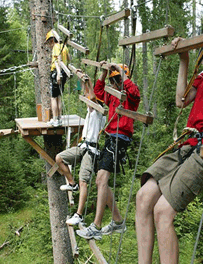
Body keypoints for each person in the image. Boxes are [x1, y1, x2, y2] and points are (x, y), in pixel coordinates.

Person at [136, 12, 203, 264]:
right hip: (188, 143)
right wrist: (184, 59)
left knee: (163, 211)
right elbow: (181, 101)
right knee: (144, 197)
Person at [76, 62, 140, 240]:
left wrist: (121, 73)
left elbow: (135, 92)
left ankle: (96, 226)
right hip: (110, 137)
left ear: (123, 79)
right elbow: (97, 93)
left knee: (102, 179)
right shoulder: (112, 94)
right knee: (99, 180)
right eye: (112, 81)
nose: (113, 84)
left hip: (120, 138)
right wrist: (104, 73)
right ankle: (118, 221)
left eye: (116, 80)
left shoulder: (129, 95)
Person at [55, 76, 106, 226]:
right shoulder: (91, 112)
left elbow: (92, 97)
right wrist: (83, 81)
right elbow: (88, 96)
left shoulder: (99, 113)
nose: (87, 102)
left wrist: (88, 82)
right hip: (83, 146)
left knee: (83, 181)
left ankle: (79, 215)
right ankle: (72, 183)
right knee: (59, 158)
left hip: (91, 150)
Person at [45, 29, 71, 127]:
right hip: (63, 72)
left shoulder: (56, 47)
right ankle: (59, 118)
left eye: (49, 42)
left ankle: (55, 119)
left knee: (53, 97)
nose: (49, 45)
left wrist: (58, 74)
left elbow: (57, 61)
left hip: (57, 72)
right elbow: (69, 58)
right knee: (59, 97)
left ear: (52, 40)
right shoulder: (64, 47)